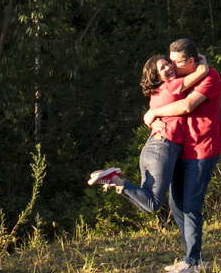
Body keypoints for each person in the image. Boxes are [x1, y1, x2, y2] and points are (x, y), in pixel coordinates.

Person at [86, 54, 210, 216]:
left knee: (146, 205)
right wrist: (201, 59)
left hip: (152, 150)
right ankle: (115, 179)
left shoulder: (155, 95)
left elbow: (151, 115)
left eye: (168, 64)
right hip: (163, 149)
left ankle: (115, 180)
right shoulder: (172, 85)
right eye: (162, 68)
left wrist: (150, 119)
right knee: (152, 203)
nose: (169, 68)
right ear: (156, 76)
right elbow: (202, 71)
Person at [142, 38, 221, 273]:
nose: (172, 67)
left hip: (202, 150)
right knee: (176, 205)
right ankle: (192, 256)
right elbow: (163, 99)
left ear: (190, 61)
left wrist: (154, 112)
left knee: (191, 206)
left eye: (176, 62)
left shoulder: (210, 78)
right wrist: (149, 116)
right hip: (179, 150)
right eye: (170, 62)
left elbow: (186, 106)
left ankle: (193, 262)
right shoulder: (180, 80)